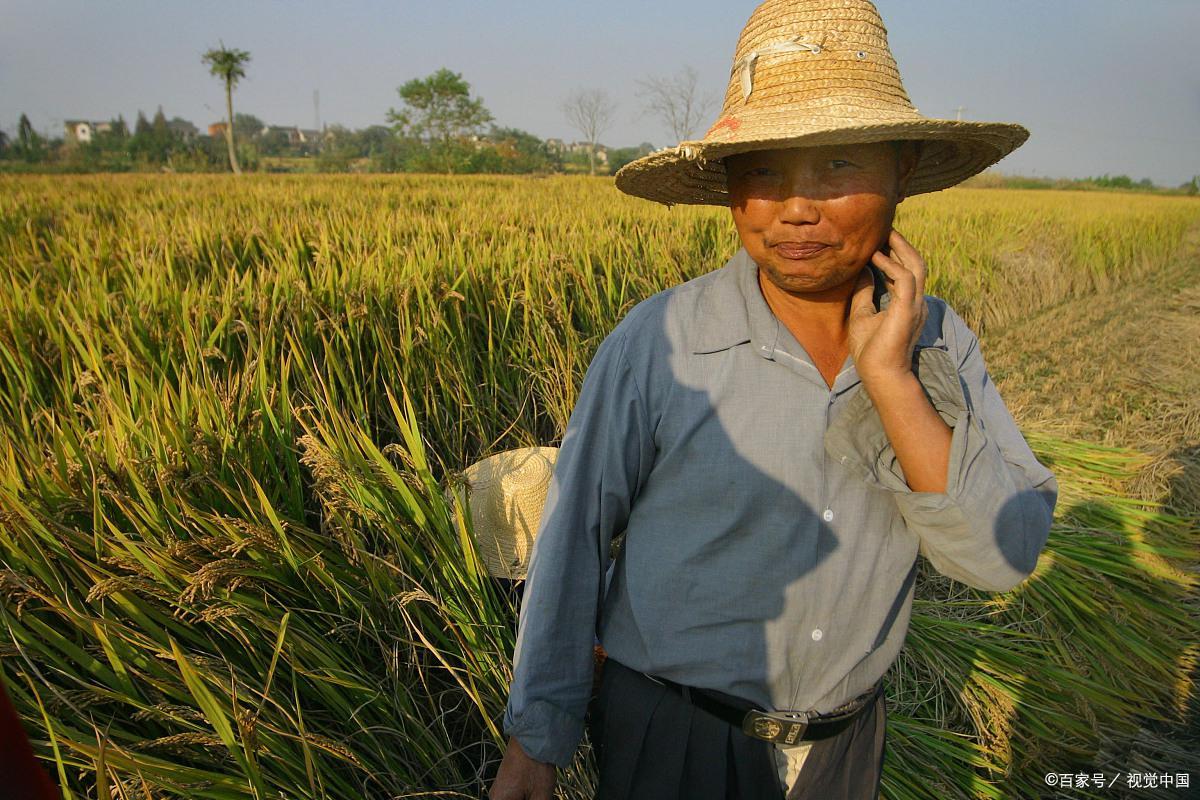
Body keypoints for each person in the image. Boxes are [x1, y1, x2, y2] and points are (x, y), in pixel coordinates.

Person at [489, 1, 1057, 797]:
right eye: (763, 170)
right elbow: (572, 538)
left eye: (838, 166)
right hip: (672, 737)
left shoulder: (938, 345)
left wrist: (891, 380)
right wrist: (535, 741)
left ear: (903, 171)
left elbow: (999, 556)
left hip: (843, 746)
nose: (797, 206)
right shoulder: (661, 343)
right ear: (728, 188)